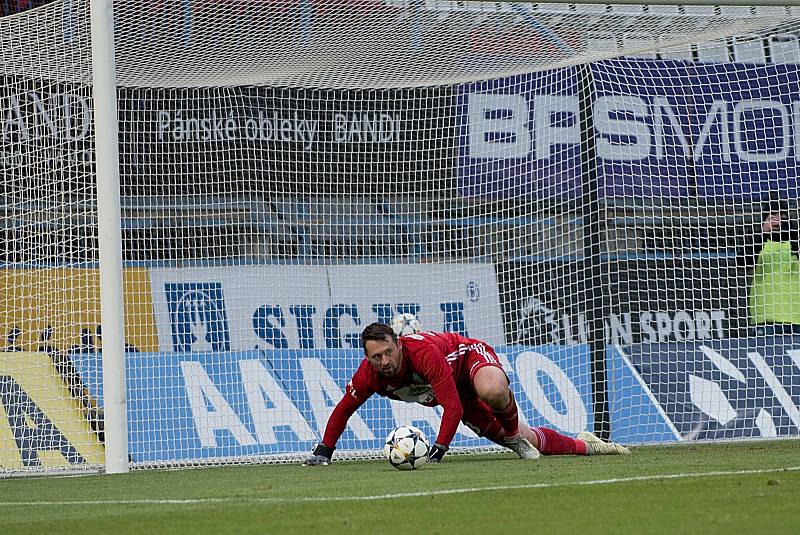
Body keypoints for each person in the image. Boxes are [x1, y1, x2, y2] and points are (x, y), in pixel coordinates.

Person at [303, 323, 629, 466]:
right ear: (368, 357)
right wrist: (324, 451)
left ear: (399, 344)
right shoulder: (369, 374)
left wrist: (438, 449)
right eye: (376, 357)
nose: (384, 362)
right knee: (531, 441)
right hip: (455, 389)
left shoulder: (424, 354)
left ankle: (514, 434)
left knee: (492, 390)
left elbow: (452, 406)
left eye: (388, 352)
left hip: (467, 358)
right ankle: (587, 445)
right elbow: (345, 408)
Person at [739, 198, 800, 336]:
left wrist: (794, 234)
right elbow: (742, 263)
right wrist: (763, 233)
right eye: (772, 217)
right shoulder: (756, 241)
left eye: (782, 217)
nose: (777, 221)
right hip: (765, 319)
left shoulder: (795, 240)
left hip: (797, 318)